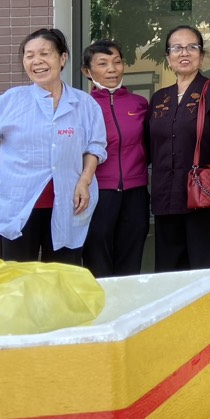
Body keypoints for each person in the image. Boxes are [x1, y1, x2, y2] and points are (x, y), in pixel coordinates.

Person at [0, 28, 106, 264]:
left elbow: (95, 146)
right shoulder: (11, 100)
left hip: (69, 204)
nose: (37, 61)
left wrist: (85, 180)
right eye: (29, 55)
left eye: (45, 54)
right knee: (18, 275)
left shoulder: (84, 104)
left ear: (62, 58)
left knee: (62, 274)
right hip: (20, 205)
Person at [147, 25, 210, 271]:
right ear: (168, 57)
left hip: (204, 197)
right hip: (166, 197)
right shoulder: (159, 98)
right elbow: (148, 147)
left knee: (206, 270)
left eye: (192, 47)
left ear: (201, 55)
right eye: (176, 48)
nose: (184, 53)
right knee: (170, 273)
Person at [80, 39, 150, 276]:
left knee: (131, 259)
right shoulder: (81, 106)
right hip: (98, 192)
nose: (112, 69)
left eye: (117, 62)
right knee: (96, 259)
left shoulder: (139, 103)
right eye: (103, 63)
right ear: (87, 71)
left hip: (135, 192)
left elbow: (149, 145)